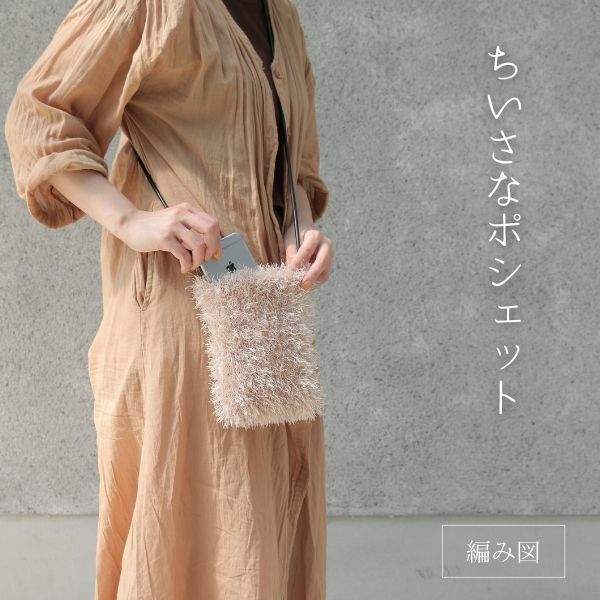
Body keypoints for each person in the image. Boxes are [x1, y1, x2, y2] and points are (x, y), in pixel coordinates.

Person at [4, 0, 334, 597]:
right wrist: (129, 220)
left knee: (265, 519)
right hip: (178, 312)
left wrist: (301, 232)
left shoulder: (280, 14)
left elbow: (295, 169)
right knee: (185, 520)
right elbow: (40, 114)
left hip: (264, 318)